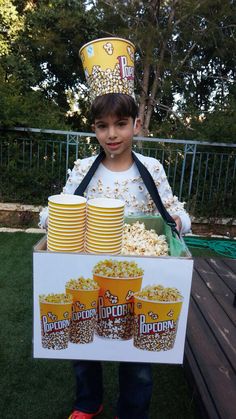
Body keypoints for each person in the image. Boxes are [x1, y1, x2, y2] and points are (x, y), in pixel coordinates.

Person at [39, 93, 191, 419]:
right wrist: (52, 219)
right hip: (87, 271)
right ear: (93, 129)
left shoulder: (151, 168)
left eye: (120, 124)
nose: (112, 135)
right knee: (83, 340)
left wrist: (180, 222)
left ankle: (132, 411)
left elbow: (174, 213)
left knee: (136, 352)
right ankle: (88, 402)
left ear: (136, 125)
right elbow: (57, 208)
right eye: (102, 126)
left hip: (139, 274)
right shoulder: (84, 168)